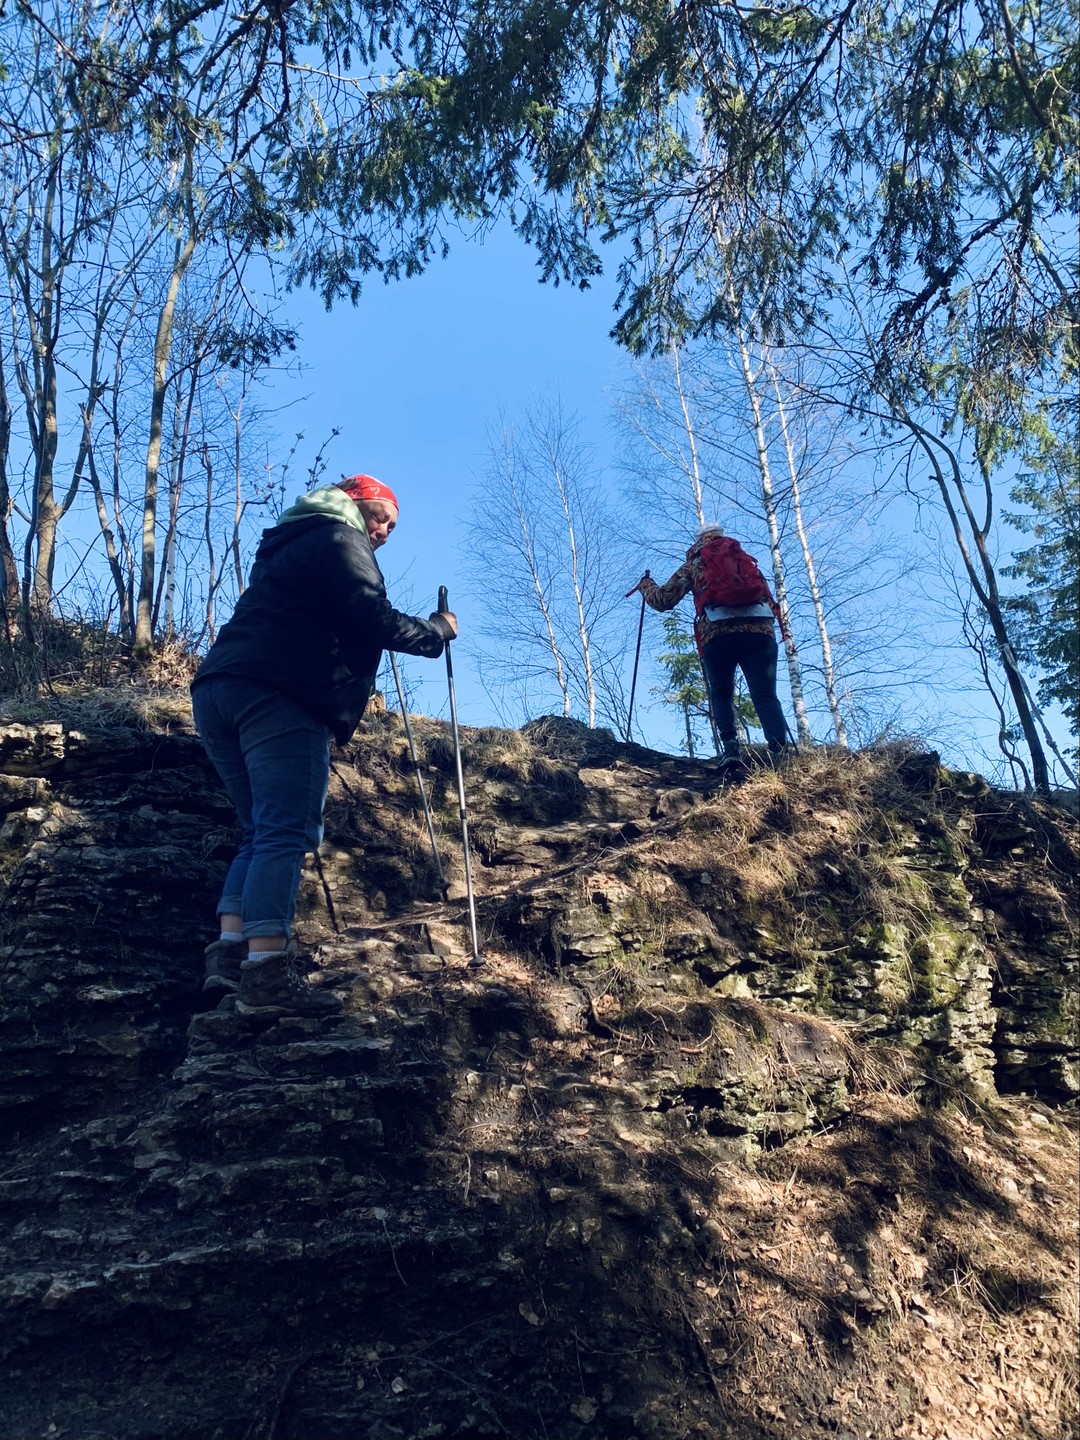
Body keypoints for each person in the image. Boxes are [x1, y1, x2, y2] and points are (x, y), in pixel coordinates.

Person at [190, 473, 457, 1018]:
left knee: (259, 830)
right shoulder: (339, 535)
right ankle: (266, 974)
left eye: (391, 528)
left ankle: (230, 956)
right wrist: (436, 631)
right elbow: (372, 615)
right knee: (284, 831)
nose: (384, 533)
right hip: (282, 694)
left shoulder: (289, 541)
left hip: (219, 689)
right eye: (382, 518)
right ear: (356, 503)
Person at [631, 524, 793, 773]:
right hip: (760, 632)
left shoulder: (695, 564)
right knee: (765, 695)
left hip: (717, 633)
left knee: (721, 693)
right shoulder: (744, 561)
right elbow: (768, 599)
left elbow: (664, 600)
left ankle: (731, 750)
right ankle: (780, 752)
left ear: (698, 541)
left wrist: (646, 585)